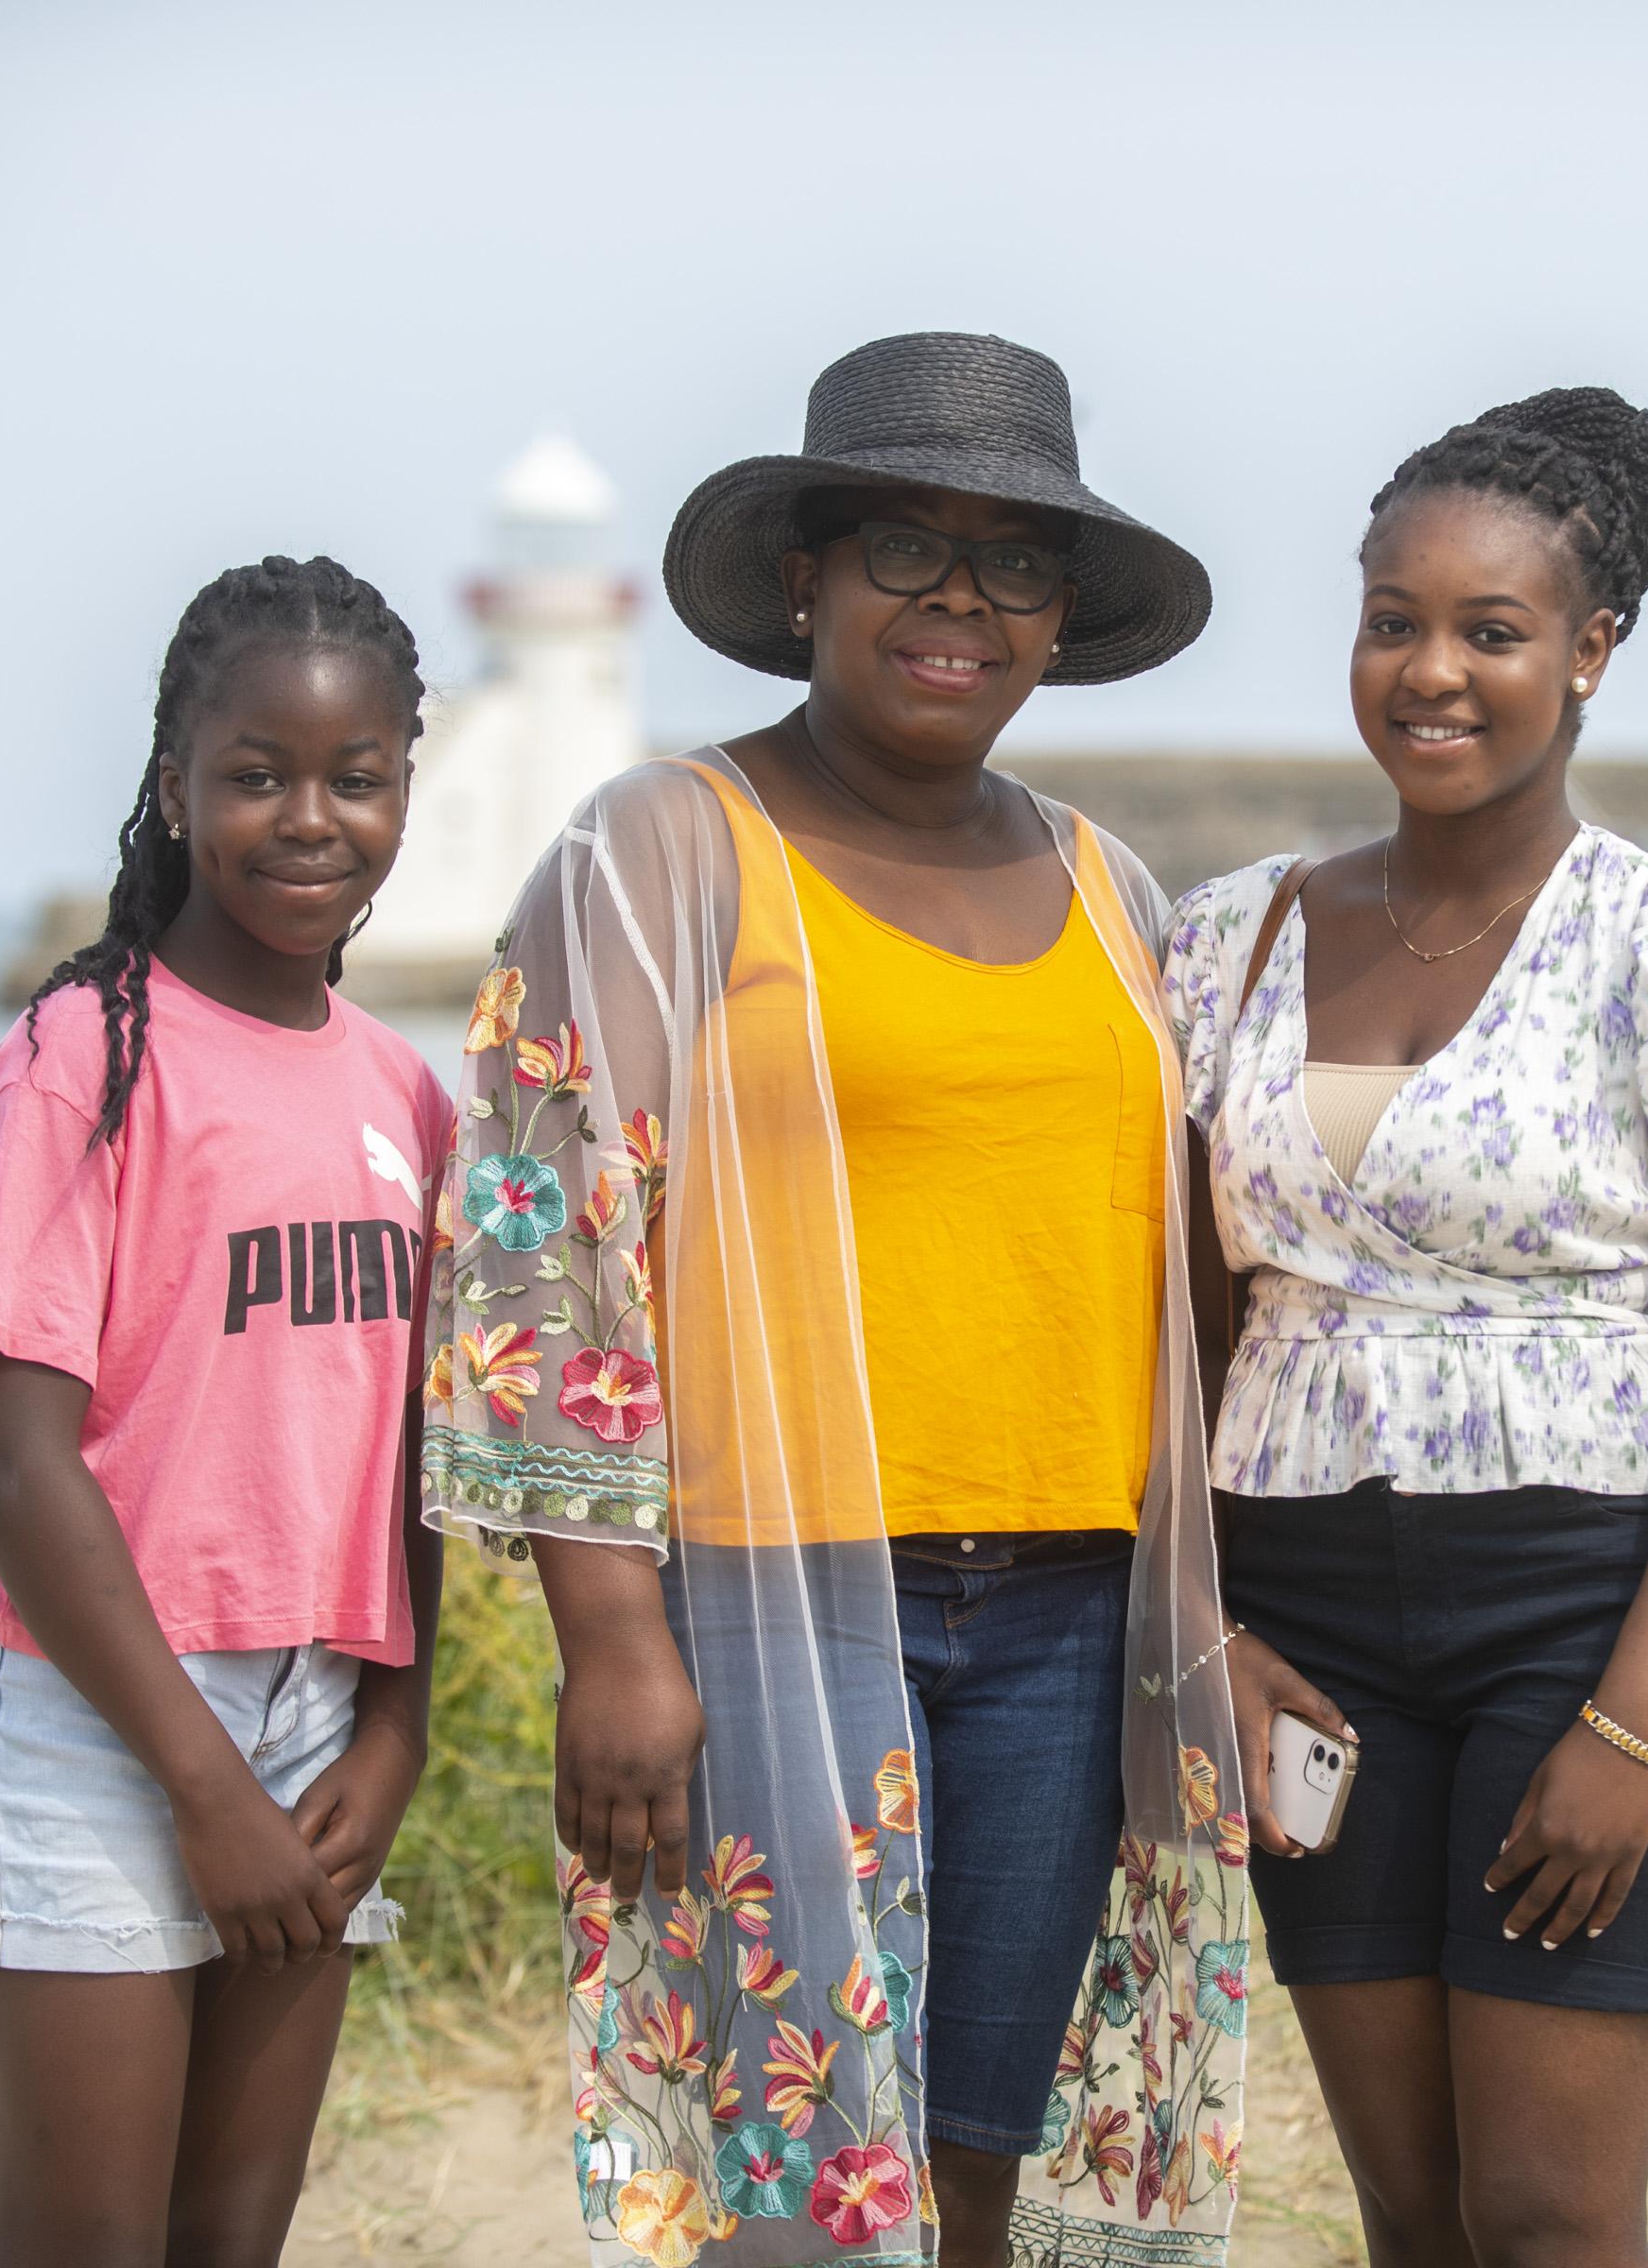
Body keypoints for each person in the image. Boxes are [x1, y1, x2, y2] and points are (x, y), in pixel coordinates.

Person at [419, 334, 1290, 2265]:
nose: (960, 604)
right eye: (906, 546)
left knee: (970, 2147)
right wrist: (613, 1644)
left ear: (1063, 621)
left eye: (1016, 565)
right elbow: (541, 1249)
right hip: (776, 1597)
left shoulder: (1115, 890)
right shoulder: (657, 850)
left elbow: (1193, 1254)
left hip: (1075, 1607)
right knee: (802, 2164)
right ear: (804, 576)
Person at [1165, 388, 1648, 2265]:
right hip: (1306, 1632)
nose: (1428, 671)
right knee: (1418, 2216)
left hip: (1581, 1611)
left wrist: (1635, 1721)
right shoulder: (1229, 941)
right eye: (1392, 620)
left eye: (1491, 630)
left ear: (1593, 652)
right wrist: (1205, 1631)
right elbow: (1186, 1340)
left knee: (1547, 2217)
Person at [0, 557, 451, 2264]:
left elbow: (408, 1456)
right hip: (99, 1715)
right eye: (257, 775)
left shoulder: (403, 1093)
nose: (312, 820)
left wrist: (397, 1723)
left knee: (233, 2231)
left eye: (356, 778)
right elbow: (15, 1460)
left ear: (401, 787)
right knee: (92, 2240)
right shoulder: (83, 1060)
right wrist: (195, 1781)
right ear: (175, 788)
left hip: (321, 1717)